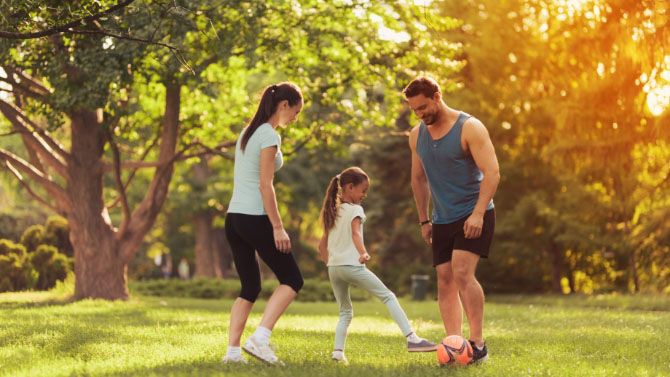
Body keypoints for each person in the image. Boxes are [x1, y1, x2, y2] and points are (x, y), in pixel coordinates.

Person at [405, 76, 500, 364]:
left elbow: (493, 172)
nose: (420, 114)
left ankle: (478, 344)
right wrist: (424, 220)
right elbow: (418, 179)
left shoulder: (469, 128)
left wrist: (478, 213)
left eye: (423, 107)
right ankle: (455, 346)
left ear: (437, 96)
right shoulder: (416, 135)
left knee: (461, 272)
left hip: (474, 212)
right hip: (442, 218)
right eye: (415, 111)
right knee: (444, 280)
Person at [318, 166, 437, 364]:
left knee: (345, 311)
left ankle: (338, 353)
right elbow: (355, 233)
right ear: (349, 187)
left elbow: (322, 244)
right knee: (388, 296)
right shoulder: (356, 210)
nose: (365, 195)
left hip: (334, 268)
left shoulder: (334, 211)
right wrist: (363, 252)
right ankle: (412, 339)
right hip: (351, 266)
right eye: (363, 190)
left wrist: (328, 260)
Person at [222, 82, 304, 365]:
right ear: (283, 105)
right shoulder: (268, 135)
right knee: (293, 279)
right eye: (295, 111)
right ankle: (260, 338)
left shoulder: (248, 132)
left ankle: (232, 353)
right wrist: (278, 227)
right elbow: (265, 185)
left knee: (250, 287)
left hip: (234, 219)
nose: (295, 118)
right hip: (254, 218)